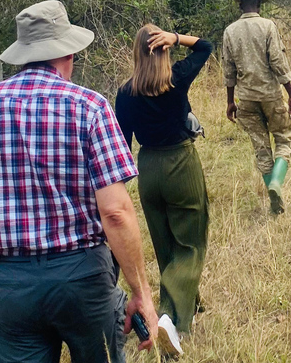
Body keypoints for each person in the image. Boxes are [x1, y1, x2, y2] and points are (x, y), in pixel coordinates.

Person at [0, 0, 158, 363]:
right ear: (69, 53)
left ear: (22, 55)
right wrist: (141, 293)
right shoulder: (90, 106)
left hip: (9, 285)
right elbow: (116, 213)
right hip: (82, 279)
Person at [115, 24, 213, 357]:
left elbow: (122, 145)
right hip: (179, 162)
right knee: (190, 244)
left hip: (148, 168)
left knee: (164, 244)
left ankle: (189, 303)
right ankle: (171, 321)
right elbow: (206, 46)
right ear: (165, 50)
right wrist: (177, 37)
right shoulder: (177, 78)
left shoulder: (125, 93)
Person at [222, 0, 291, 215]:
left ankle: (275, 200)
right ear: (258, 3)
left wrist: (230, 102)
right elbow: (277, 61)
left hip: (245, 99)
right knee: (284, 140)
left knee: (261, 149)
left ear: (240, 4)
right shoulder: (268, 26)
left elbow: (228, 70)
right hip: (271, 96)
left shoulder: (230, 31)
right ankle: (276, 183)